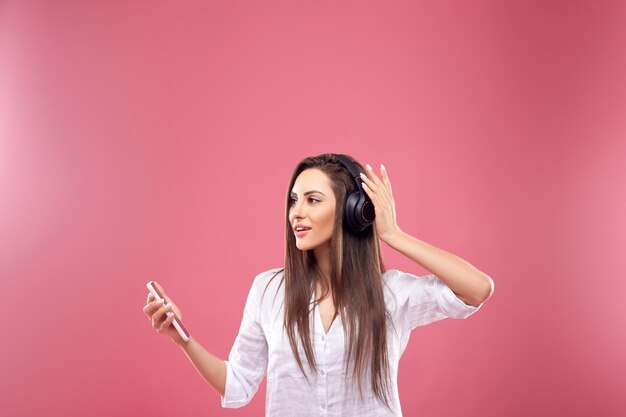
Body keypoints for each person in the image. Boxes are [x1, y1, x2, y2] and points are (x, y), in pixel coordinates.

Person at [143, 153, 494, 416]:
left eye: (312, 200)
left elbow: (477, 289)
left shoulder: (391, 294)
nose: (296, 212)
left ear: (351, 211)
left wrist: (393, 234)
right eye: (294, 200)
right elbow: (236, 383)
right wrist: (182, 340)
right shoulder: (268, 291)